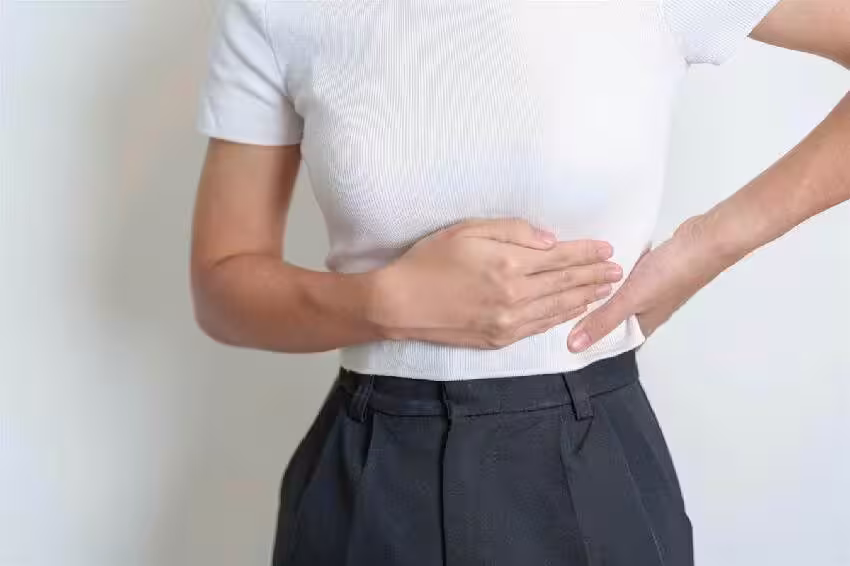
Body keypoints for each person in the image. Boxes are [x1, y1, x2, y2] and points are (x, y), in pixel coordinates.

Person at [190, 0, 849, 564]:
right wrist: (387, 301)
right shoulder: (278, 9)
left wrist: (705, 247)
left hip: (589, 451)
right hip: (371, 470)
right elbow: (223, 284)